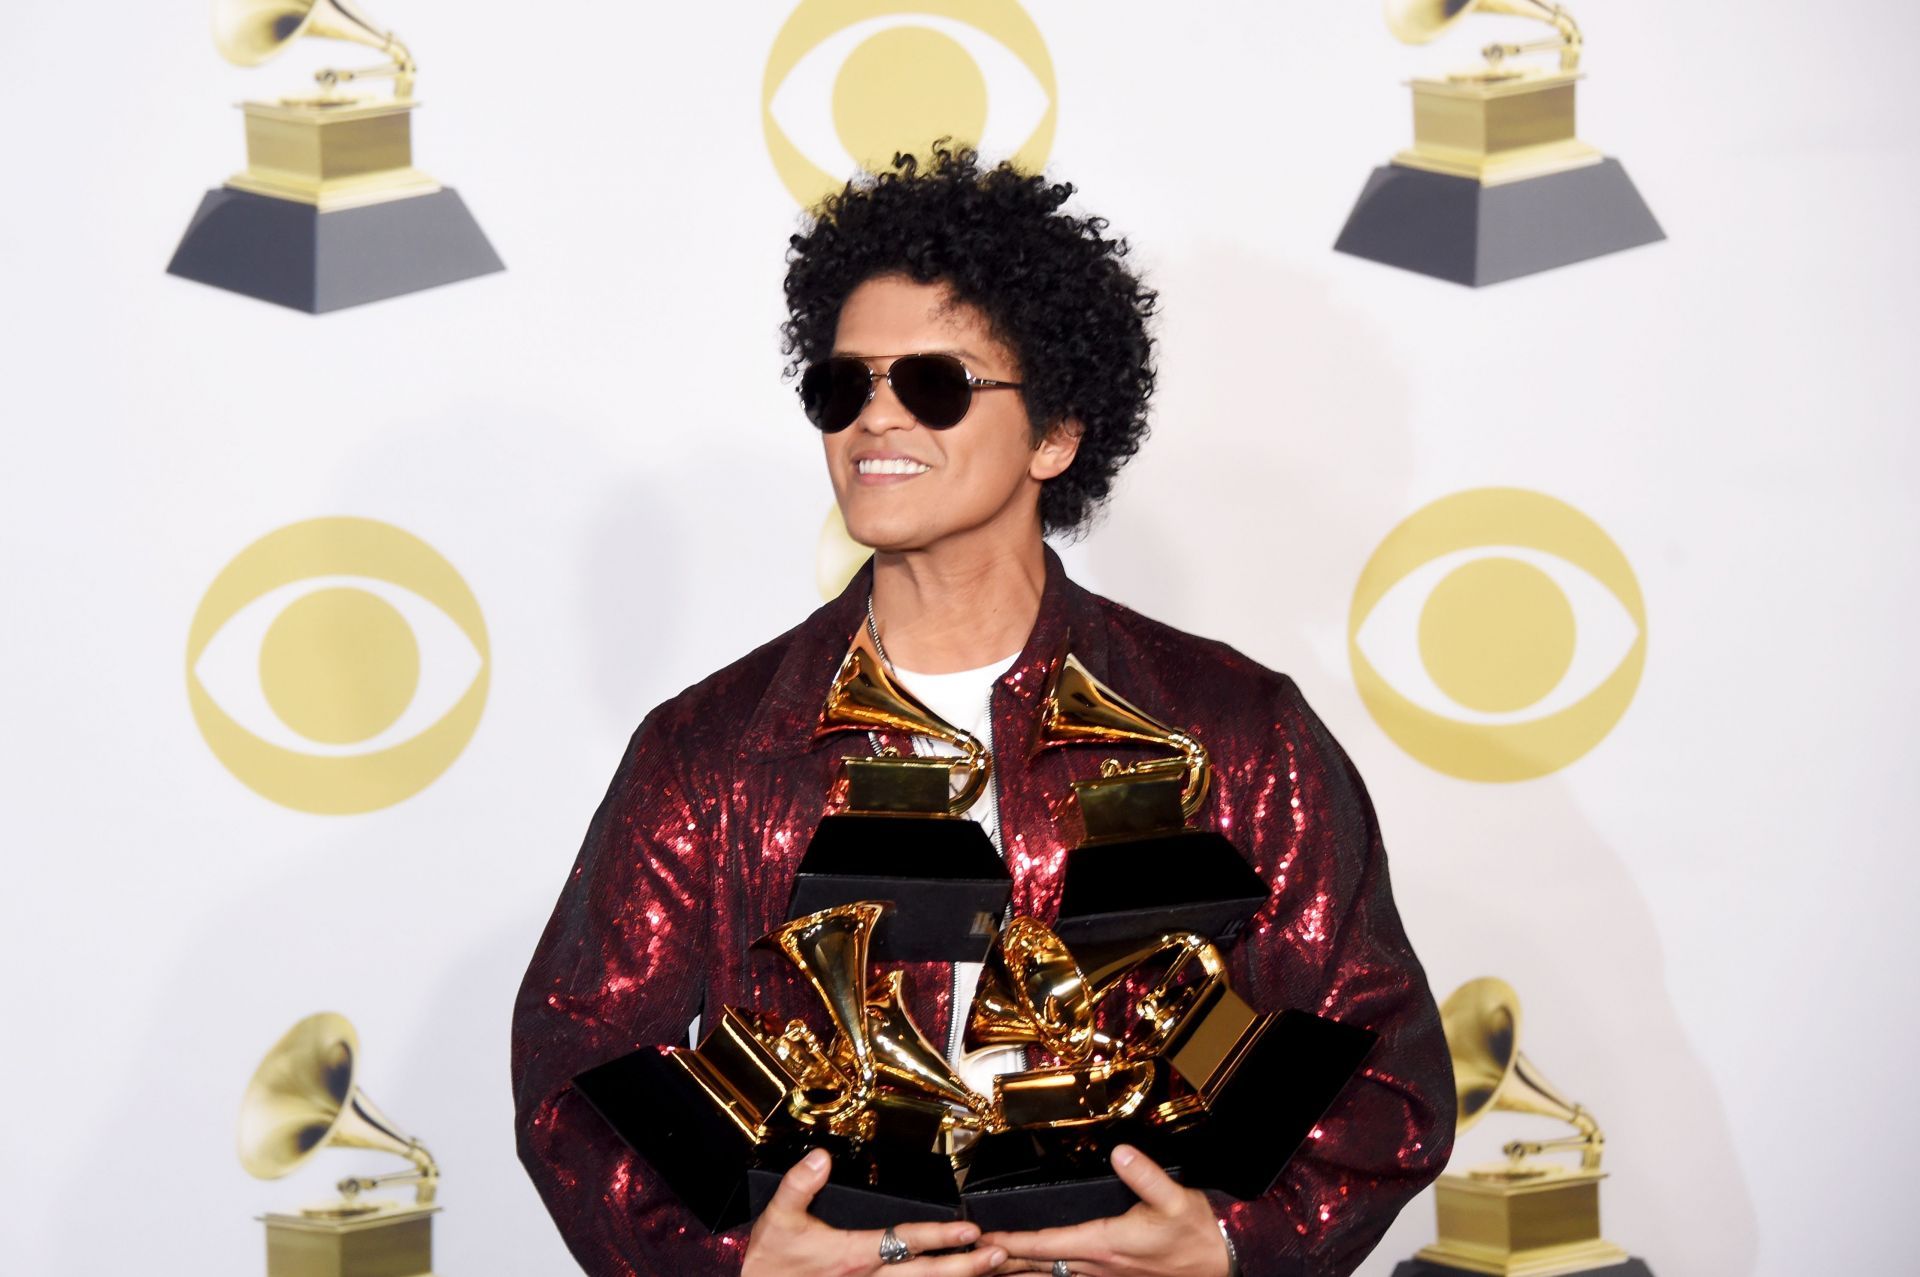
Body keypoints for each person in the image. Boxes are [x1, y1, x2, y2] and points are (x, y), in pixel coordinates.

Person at [512, 144, 1454, 1277]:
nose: (874, 419)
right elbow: (579, 1064)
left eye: (935, 384)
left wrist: (1235, 1243)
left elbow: (1381, 1065)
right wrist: (734, 1261)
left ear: (1056, 433)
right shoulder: (711, 751)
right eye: (842, 384)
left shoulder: (1237, 728)